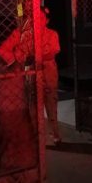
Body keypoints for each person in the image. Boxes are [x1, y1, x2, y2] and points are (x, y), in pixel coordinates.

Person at [0, 16, 37, 173]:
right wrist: (21, 47)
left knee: (22, 145)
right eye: (15, 32)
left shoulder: (8, 50)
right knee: (10, 147)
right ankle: (8, 176)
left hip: (16, 105)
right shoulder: (0, 53)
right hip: (8, 108)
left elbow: (25, 61)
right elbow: (12, 66)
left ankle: (21, 175)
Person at [38, 8, 63, 145]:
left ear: (47, 20)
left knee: (51, 105)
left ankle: (55, 133)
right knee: (35, 108)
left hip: (48, 74)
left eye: (42, 18)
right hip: (35, 75)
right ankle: (38, 136)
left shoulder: (52, 34)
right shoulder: (30, 36)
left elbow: (53, 51)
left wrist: (37, 57)